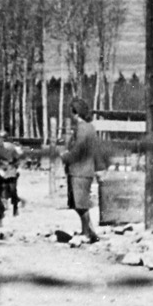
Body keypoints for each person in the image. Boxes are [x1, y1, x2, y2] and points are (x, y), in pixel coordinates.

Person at [61, 98, 103, 243]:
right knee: (79, 204)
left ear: (76, 112)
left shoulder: (82, 128)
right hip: (84, 169)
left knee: (80, 204)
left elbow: (78, 149)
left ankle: (88, 232)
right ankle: (88, 231)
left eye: (71, 112)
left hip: (79, 170)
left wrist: (65, 156)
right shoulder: (89, 127)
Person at [0, 129, 27, 216]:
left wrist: (16, 167)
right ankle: (9, 207)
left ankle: (13, 207)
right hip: (5, 169)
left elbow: (17, 158)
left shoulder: (10, 147)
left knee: (9, 189)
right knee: (7, 189)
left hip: (8, 170)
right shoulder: (0, 147)